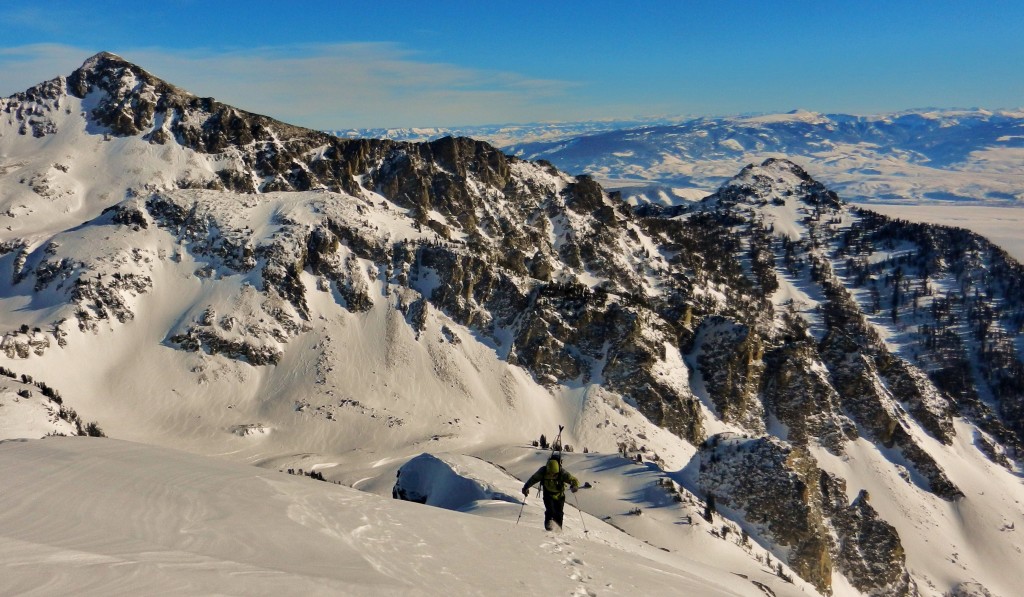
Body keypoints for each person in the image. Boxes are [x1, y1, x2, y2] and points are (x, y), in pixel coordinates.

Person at [522, 456, 580, 531]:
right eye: (550, 473)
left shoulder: (561, 472)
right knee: (550, 511)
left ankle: (558, 529)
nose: (552, 475)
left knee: (559, 513)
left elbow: (573, 480)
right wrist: (526, 487)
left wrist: (575, 486)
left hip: (559, 496)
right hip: (548, 494)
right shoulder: (543, 471)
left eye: (554, 474)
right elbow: (534, 479)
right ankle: (548, 528)